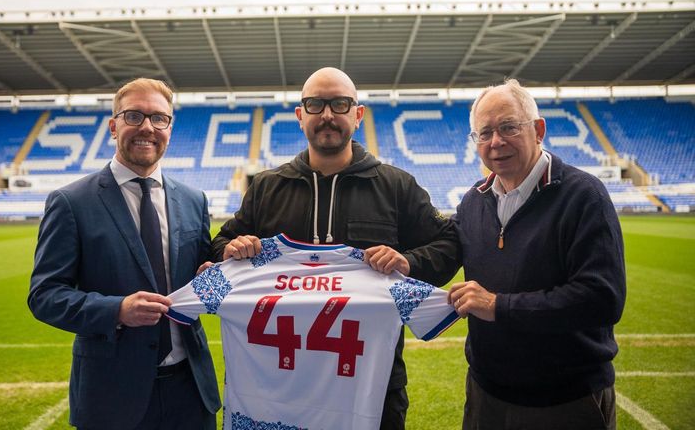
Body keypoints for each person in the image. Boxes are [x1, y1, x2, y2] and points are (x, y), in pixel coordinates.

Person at [208, 67, 461, 430]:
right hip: (280, 386)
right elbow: (219, 245)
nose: (327, 114)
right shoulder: (266, 188)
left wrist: (408, 261)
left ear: (357, 115)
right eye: (316, 104)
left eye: (339, 104)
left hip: (371, 386)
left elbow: (449, 243)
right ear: (300, 116)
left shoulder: (395, 186)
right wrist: (232, 249)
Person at [28, 78, 221, 429]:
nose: (147, 127)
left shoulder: (194, 200)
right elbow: (44, 295)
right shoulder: (71, 202)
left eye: (158, 118)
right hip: (111, 395)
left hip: (191, 392)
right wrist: (116, 310)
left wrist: (212, 274)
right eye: (134, 116)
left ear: (170, 128)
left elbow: (199, 273)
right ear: (113, 127)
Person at [450, 79, 626, 430]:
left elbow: (602, 299)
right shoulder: (473, 201)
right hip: (487, 395)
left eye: (508, 127)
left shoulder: (583, 196)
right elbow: (442, 251)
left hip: (565, 401)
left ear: (538, 130)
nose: (496, 141)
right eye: (484, 134)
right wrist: (404, 261)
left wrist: (498, 306)